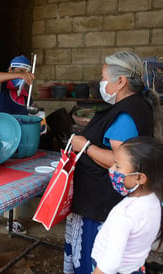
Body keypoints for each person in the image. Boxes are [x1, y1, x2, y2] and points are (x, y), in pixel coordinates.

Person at [63, 51, 163, 274]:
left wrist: (85, 146)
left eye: (103, 78)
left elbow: (120, 161)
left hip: (101, 204)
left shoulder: (126, 113)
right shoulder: (138, 104)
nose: (101, 83)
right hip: (105, 201)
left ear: (121, 81)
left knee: (96, 258)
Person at [91, 136, 163, 274]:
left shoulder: (124, 215)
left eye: (117, 166)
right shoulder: (155, 201)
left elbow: (110, 264)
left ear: (139, 178)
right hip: (135, 268)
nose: (111, 169)